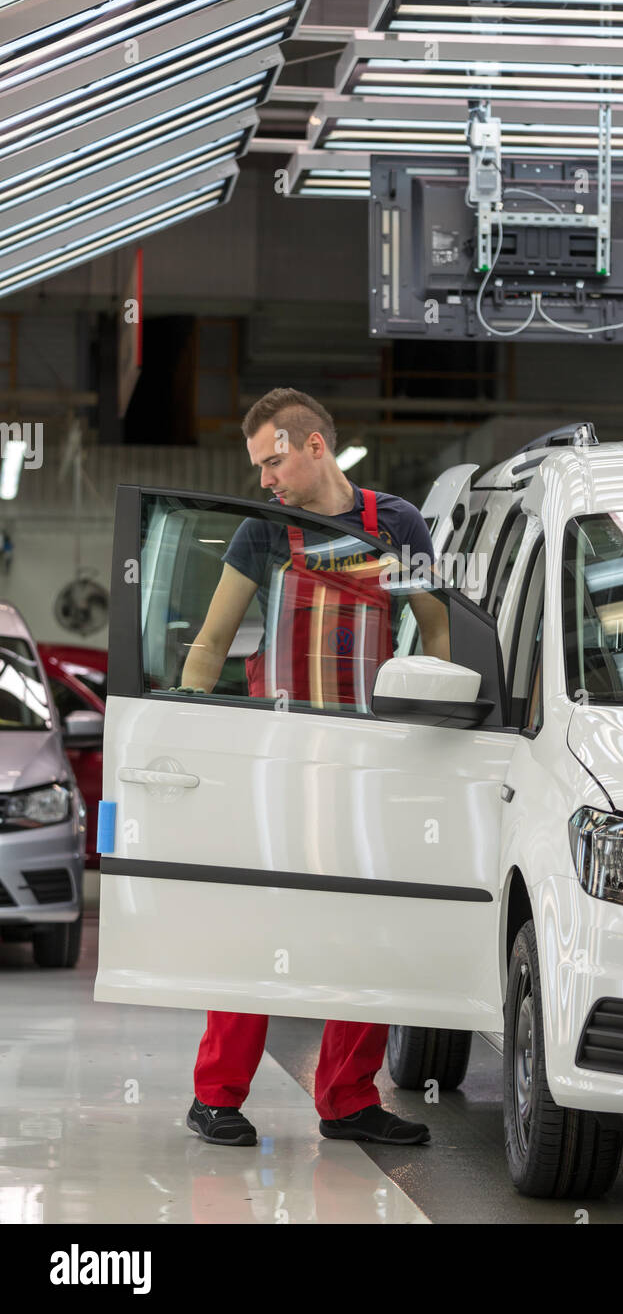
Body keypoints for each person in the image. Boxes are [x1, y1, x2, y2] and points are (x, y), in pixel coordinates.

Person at [177, 389, 449, 1147]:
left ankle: (349, 1101)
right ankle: (217, 1096)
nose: (265, 479)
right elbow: (211, 640)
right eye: (259, 465)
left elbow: (436, 634)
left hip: (370, 764)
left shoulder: (398, 525)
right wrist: (181, 727)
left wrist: (439, 724)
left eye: (273, 460)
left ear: (315, 446)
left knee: (371, 931)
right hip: (280, 762)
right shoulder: (262, 532)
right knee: (258, 928)